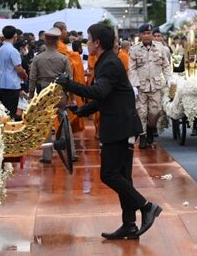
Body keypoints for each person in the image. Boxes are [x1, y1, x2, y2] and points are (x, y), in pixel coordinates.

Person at [56, 23, 161, 240]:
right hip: (120, 123)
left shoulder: (110, 63)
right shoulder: (106, 61)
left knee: (109, 174)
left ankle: (147, 206)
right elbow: (105, 96)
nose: (87, 43)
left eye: (89, 39)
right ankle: (129, 225)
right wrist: (83, 109)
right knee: (123, 177)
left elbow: (99, 91)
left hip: (119, 126)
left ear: (98, 42)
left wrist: (70, 85)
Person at [29, 27, 73, 163]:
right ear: (57, 41)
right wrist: (72, 96)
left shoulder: (38, 58)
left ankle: (47, 155)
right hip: (60, 92)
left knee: (46, 123)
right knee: (64, 121)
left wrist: (31, 94)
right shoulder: (64, 58)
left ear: (45, 40)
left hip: (44, 93)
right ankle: (71, 152)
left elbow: (32, 78)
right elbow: (69, 79)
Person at [128, 24, 173, 149]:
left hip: (156, 85)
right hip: (141, 86)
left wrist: (169, 79)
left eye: (149, 33)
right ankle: (143, 137)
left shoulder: (160, 48)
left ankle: (150, 127)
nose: (147, 36)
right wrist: (134, 85)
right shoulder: (134, 49)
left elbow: (166, 65)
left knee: (156, 111)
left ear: (152, 34)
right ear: (140, 35)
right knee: (141, 112)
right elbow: (131, 69)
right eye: (144, 33)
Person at [54, 21, 85, 133]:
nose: (66, 32)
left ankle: (64, 133)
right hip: (62, 82)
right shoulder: (59, 46)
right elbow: (68, 63)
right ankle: (62, 135)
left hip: (60, 81)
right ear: (60, 30)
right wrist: (76, 55)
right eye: (65, 30)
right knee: (62, 111)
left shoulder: (60, 45)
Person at [0, 26, 28, 118]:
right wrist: (25, 76)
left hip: (1, 82)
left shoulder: (0, 49)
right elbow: (18, 68)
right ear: (15, 35)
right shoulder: (13, 50)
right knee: (11, 110)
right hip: (12, 83)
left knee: (4, 110)